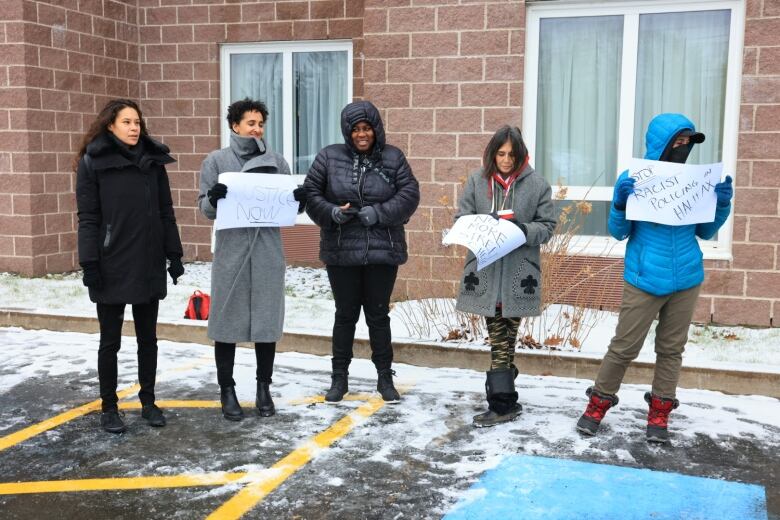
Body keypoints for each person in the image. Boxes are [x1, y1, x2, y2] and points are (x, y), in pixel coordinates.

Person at [576, 113, 733, 443]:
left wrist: (721, 204)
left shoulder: (695, 180)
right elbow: (619, 233)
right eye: (677, 142)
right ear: (661, 144)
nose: (683, 148)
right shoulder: (636, 177)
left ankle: (659, 414)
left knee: (672, 349)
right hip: (644, 277)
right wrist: (619, 203)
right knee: (623, 347)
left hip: (687, 278)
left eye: (688, 143)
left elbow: (705, 231)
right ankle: (597, 405)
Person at [75, 99, 184, 434]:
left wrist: (174, 254)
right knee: (111, 341)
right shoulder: (93, 162)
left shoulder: (153, 161)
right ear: (110, 125)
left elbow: (166, 211)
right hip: (111, 263)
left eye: (137, 122)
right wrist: (89, 262)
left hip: (148, 260)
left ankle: (148, 402)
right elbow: (89, 218)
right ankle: (109, 407)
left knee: (147, 339)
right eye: (127, 122)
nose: (135, 128)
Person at [303, 100, 420, 404]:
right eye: (356, 130)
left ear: (375, 129)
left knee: (378, 316)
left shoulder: (393, 157)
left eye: (367, 128)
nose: (362, 134)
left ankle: (384, 376)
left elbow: (409, 193)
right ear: (348, 132)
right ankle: (339, 378)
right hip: (341, 250)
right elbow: (310, 193)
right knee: (345, 315)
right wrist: (331, 212)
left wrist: (379, 213)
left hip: (382, 251)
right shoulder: (329, 157)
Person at [198, 98, 303, 421]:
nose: (256, 129)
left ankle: (263, 387)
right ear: (235, 126)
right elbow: (205, 207)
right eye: (250, 123)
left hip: (268, 251)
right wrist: (214, 199)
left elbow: (289, 209)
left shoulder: (277, 161)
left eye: (260, 123)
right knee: (227, 322)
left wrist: (298, 201)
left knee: (266, 323)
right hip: (232, 251)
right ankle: (226, 389)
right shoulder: (216, 161)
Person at [455, 125, 556, 428]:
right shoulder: (477, 181)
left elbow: (548, 226)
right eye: (501, 153)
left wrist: (522, 230)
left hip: (518, 275)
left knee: (503, 340)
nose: (507, 159)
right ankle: (505, 397)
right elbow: (461, 219)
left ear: (521, 154)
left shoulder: (537, 184)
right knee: (501, 340)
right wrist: (485, 226)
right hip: (485, 274)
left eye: (512, 154)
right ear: (492, 153)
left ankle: (502, 404)